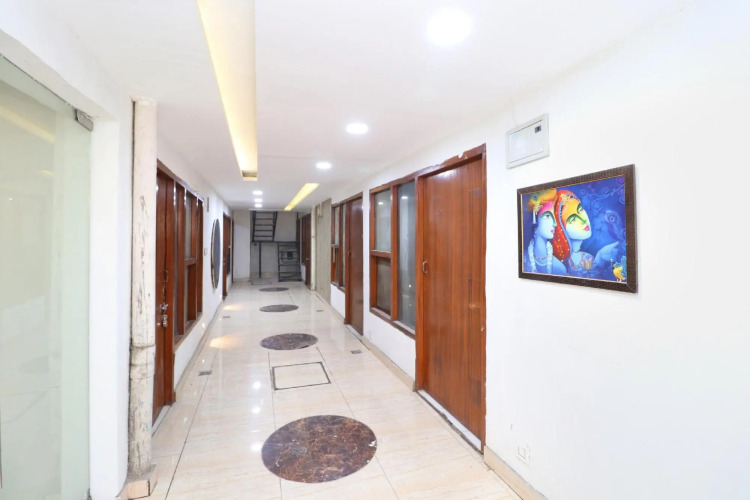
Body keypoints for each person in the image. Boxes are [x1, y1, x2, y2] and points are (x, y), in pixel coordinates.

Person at [552, 190, 619, 278]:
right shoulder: (562, 263)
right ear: (560, 229)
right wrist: (599, 259)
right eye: (573, 220)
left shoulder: (583, 256)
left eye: (580, 210)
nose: (583, 220)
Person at [524, 189, 567, 275]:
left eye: (554, 216)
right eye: (547, 216)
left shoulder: (559, 269)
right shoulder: (523, 260)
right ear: (535, 220)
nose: (555, 223)